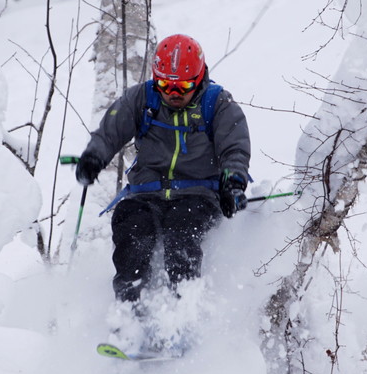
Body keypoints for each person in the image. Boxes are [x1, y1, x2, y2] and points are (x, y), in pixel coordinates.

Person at [76, 34, 250, 304]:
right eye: (165, 85)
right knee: (132, 230)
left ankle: (182, 313)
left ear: (198, 77)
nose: (173, 94)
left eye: (182, 86)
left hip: (197, 195)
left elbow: (234, 147)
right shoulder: (142, 99)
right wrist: (93, 158)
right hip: (145, 194)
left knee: (181, 232)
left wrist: (233, 182)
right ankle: (129, 311)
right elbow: (109, 133)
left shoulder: (217, 104)